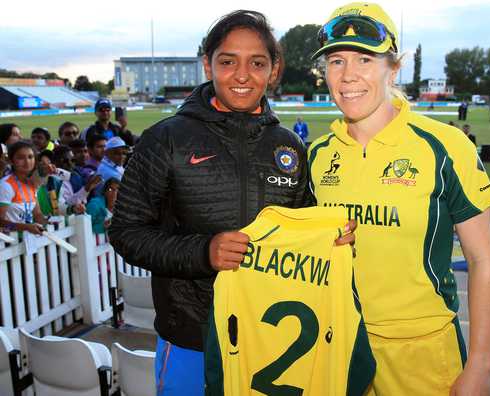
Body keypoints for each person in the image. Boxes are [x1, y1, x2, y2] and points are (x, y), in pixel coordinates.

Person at [109, 10, 354, 395]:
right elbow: (125, 233)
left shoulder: (288, 145)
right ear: (208, 64)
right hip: (192, 337)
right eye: (228, 62)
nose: (242, 75)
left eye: (257, 63)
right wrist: (203, 252)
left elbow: (302, 227)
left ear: (274, 70)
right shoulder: (165, 139)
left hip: (270, 337)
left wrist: (331, 238)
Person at [309, 3, 490, 395]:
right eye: (336, 61)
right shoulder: (318, 154)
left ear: (393, 68)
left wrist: (480, 367)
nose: (348, 76)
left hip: (424, 353)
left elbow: (485, 260)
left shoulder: (445, 147)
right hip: (339, 347)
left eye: (365, 58)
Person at [0, 141, 46, 235]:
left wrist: (46, 222)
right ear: (11, 161)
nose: (27, 161)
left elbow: (37, 214)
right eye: (21, 157)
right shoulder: (6, 185)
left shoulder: (31, 183)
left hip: (29, 242)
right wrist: (25, 227)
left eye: (30, 157)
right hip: (10, 243)